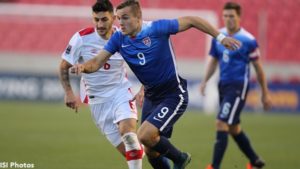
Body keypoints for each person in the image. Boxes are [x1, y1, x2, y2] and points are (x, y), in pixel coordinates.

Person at [70, 1, 240, 169]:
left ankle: (180, 158)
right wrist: (83, 67)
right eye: (119, 18)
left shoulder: (157, 28)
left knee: (143, 135)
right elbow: (97, 61)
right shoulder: (119, 38)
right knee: (151, 152)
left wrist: (220, 37)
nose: (120, 23)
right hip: (152, 96)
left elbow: (192, 20)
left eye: (125, 18)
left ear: (138, 18)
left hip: (173, 94)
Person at [58, 1, 143, 169]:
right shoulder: (81, 38)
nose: (99, 24)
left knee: (129, 136)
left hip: (120, 92)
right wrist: (68, 92)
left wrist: (143, 87)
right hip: (98, 102)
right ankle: (157, 152)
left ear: (113, 18)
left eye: (104, 19)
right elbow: (63, 66)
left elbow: (143, 64)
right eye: (96, 20)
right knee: (131, 151)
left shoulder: (124, 36)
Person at [199, 2, 272, 169]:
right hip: (223, 85)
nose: (228, 19)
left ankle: (214, 166)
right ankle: (255, 160)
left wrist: (265, 93)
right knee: (233, 128)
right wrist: (205, 81)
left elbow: (258, 69)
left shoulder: (248, 40)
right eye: (225, 16)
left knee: (221, 122)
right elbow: (214, 61)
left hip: (238, 86)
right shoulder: (219, 36)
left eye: (231, 16)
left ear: (239, 17)